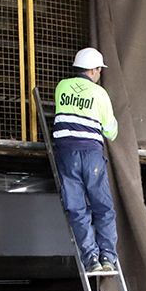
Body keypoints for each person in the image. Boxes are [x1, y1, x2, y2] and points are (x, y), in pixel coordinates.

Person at [53, 47, 119, 273]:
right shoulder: (99, 94)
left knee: (77, 208)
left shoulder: (61, 87)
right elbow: (111, 132)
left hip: (66, 154)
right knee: (103, 208)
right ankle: (108, 257)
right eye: (99, 69)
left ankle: (91, 259)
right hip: (91, 156)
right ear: (94, 69)